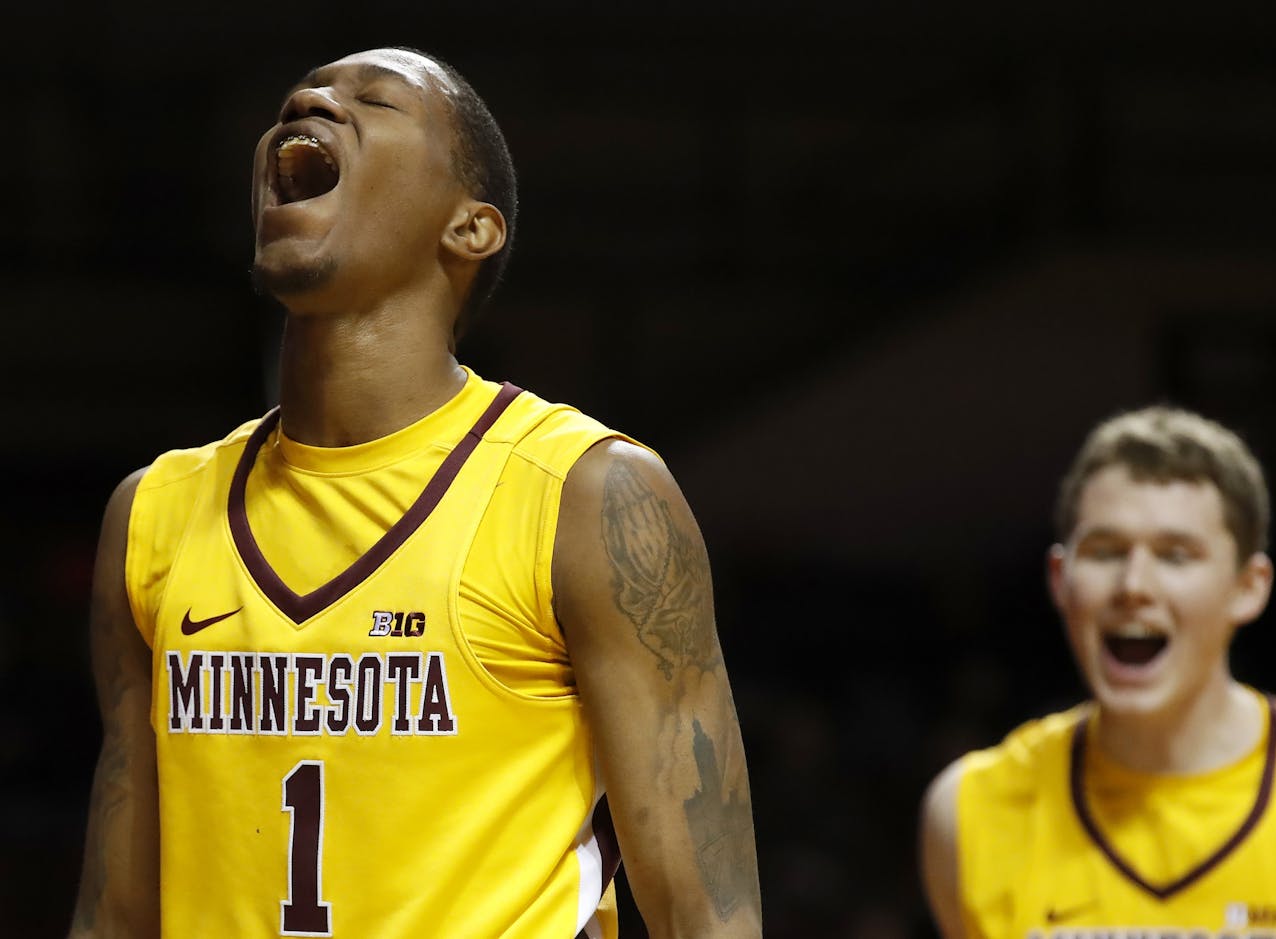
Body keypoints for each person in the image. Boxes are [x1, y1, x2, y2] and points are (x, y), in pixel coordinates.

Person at [69, 46, 761, 938]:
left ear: (470, 228)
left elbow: (708, 913)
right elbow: (115, 911)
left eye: (377, 100)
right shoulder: (151, 513)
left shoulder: (586, 493)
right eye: (301, 95)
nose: (313, 98)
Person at [920, 406, 1276, 939]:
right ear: (1060, 578)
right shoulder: (968, 815)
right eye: (1105, 551)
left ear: (1248, 587)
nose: (1134, 584)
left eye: (1176, 555)